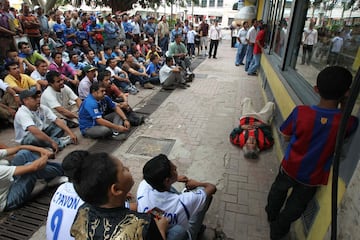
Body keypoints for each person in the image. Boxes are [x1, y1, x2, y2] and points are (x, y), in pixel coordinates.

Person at [265, 66, 358, 240]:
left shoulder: (301, 112)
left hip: (289, 167)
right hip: (312, 178)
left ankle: (271, 214)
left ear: (315, 89)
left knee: (278, 192)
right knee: (295, 207)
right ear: (346, 93)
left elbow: (285, 135)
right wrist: (345, 101)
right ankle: (278, 230)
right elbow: (348, 119)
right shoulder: (346, 123)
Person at [61, 150, 168, 239]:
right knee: (177, 232)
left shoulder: (83, 210)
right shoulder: (142, 224)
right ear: (116, 189)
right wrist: (161, 229)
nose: (128, 168)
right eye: (123, 169)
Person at [137, 154, 217, 240]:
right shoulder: (183, 202)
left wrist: (175, 178)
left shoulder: (143, 189)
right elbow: (212, 188)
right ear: (167, 180)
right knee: (204, 194)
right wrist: (197, 184)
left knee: (166, 190)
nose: (176, 167)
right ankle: (193, 234)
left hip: (157, 228)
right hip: (178, 234)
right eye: (174, 169)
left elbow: (148, 179)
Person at [0, 144, 64, 212]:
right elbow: (33, 167)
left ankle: (52, 176)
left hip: (8, 184)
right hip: (7, 200)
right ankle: (65, 170)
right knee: (31, 171)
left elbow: (19, 147)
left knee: (23, 154)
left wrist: (42, 150)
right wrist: (45, 156)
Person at [14, 87, 78, 153]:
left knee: (62, 123)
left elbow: (56, 120)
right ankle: (59, 143)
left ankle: (47, 145)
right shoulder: (22, 113)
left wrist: (71, 133)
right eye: (34, 98)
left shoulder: (42, 107)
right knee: (34, 137)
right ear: (25, 101)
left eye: (38, 97)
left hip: (42, 131)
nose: (38, 99)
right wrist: (52, 142)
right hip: (27, 138)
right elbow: (34, 130)